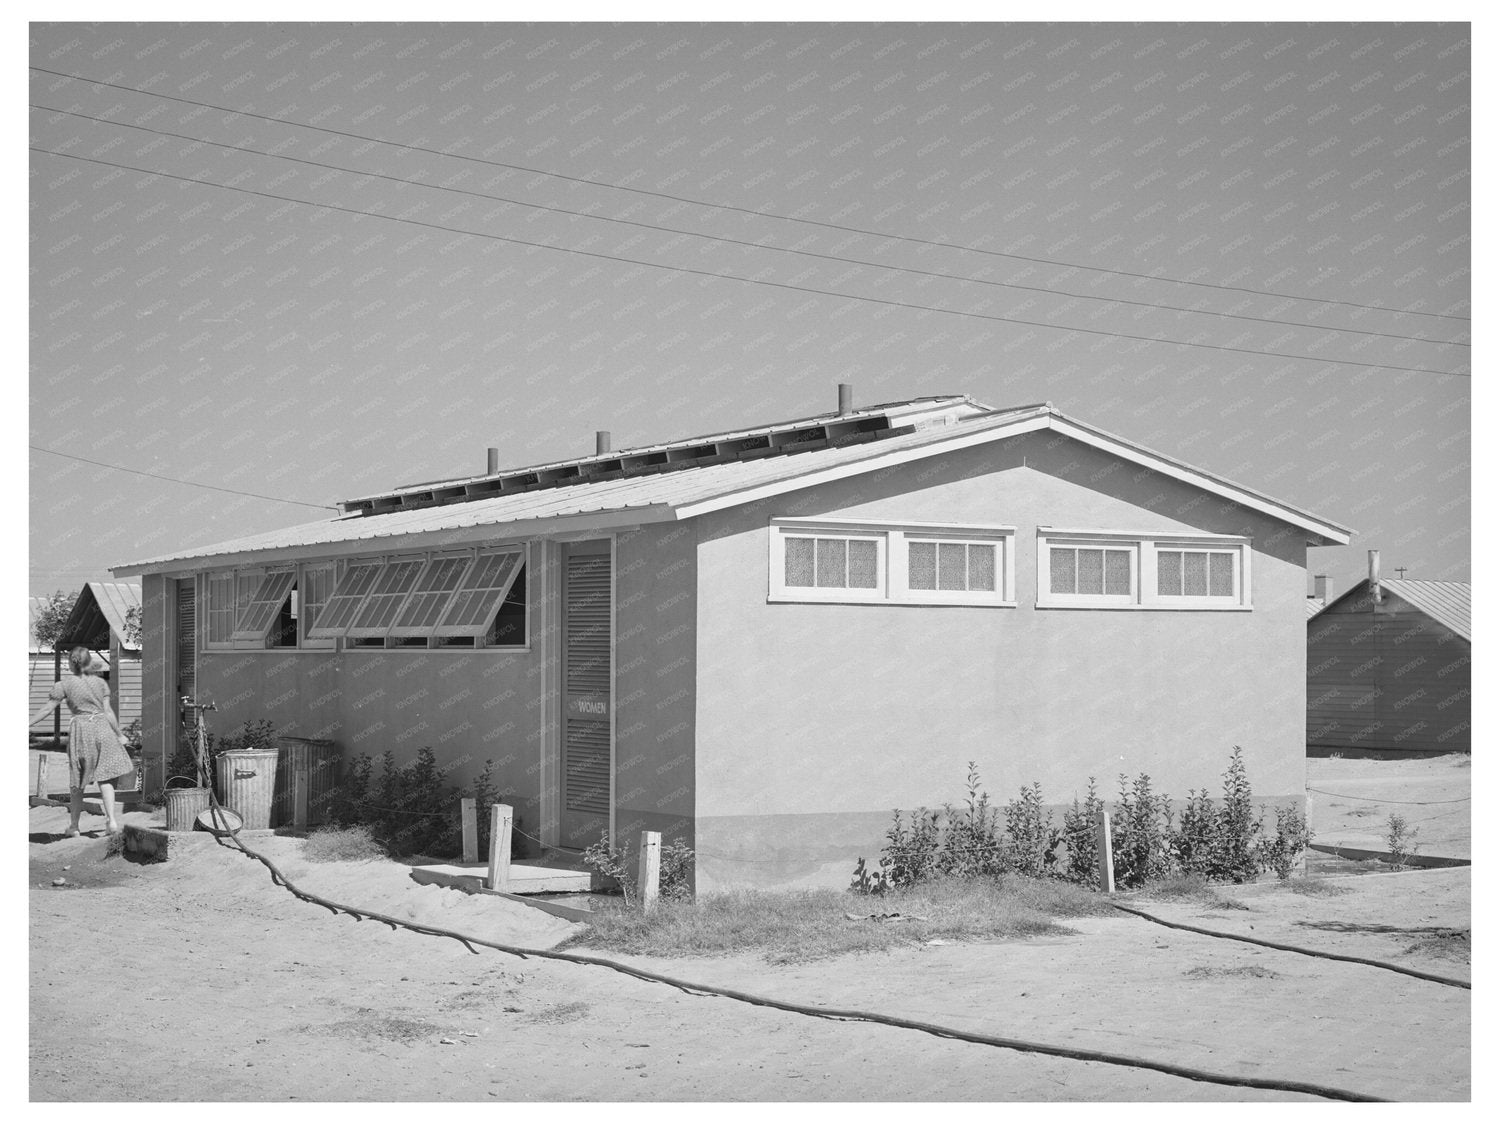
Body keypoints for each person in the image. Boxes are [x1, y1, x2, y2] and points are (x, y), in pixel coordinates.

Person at [30, 646, 135, 837]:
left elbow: (47, 709)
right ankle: (111, 821)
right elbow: (108, 711)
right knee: (106, 777)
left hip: (82, 731)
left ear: (71, 663)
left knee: (77, 780)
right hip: (103, 728)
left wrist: (27, 723)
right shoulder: (101, 683)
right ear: (89, 663)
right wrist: (119, 734)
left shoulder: (64, 685)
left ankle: (75, 826)